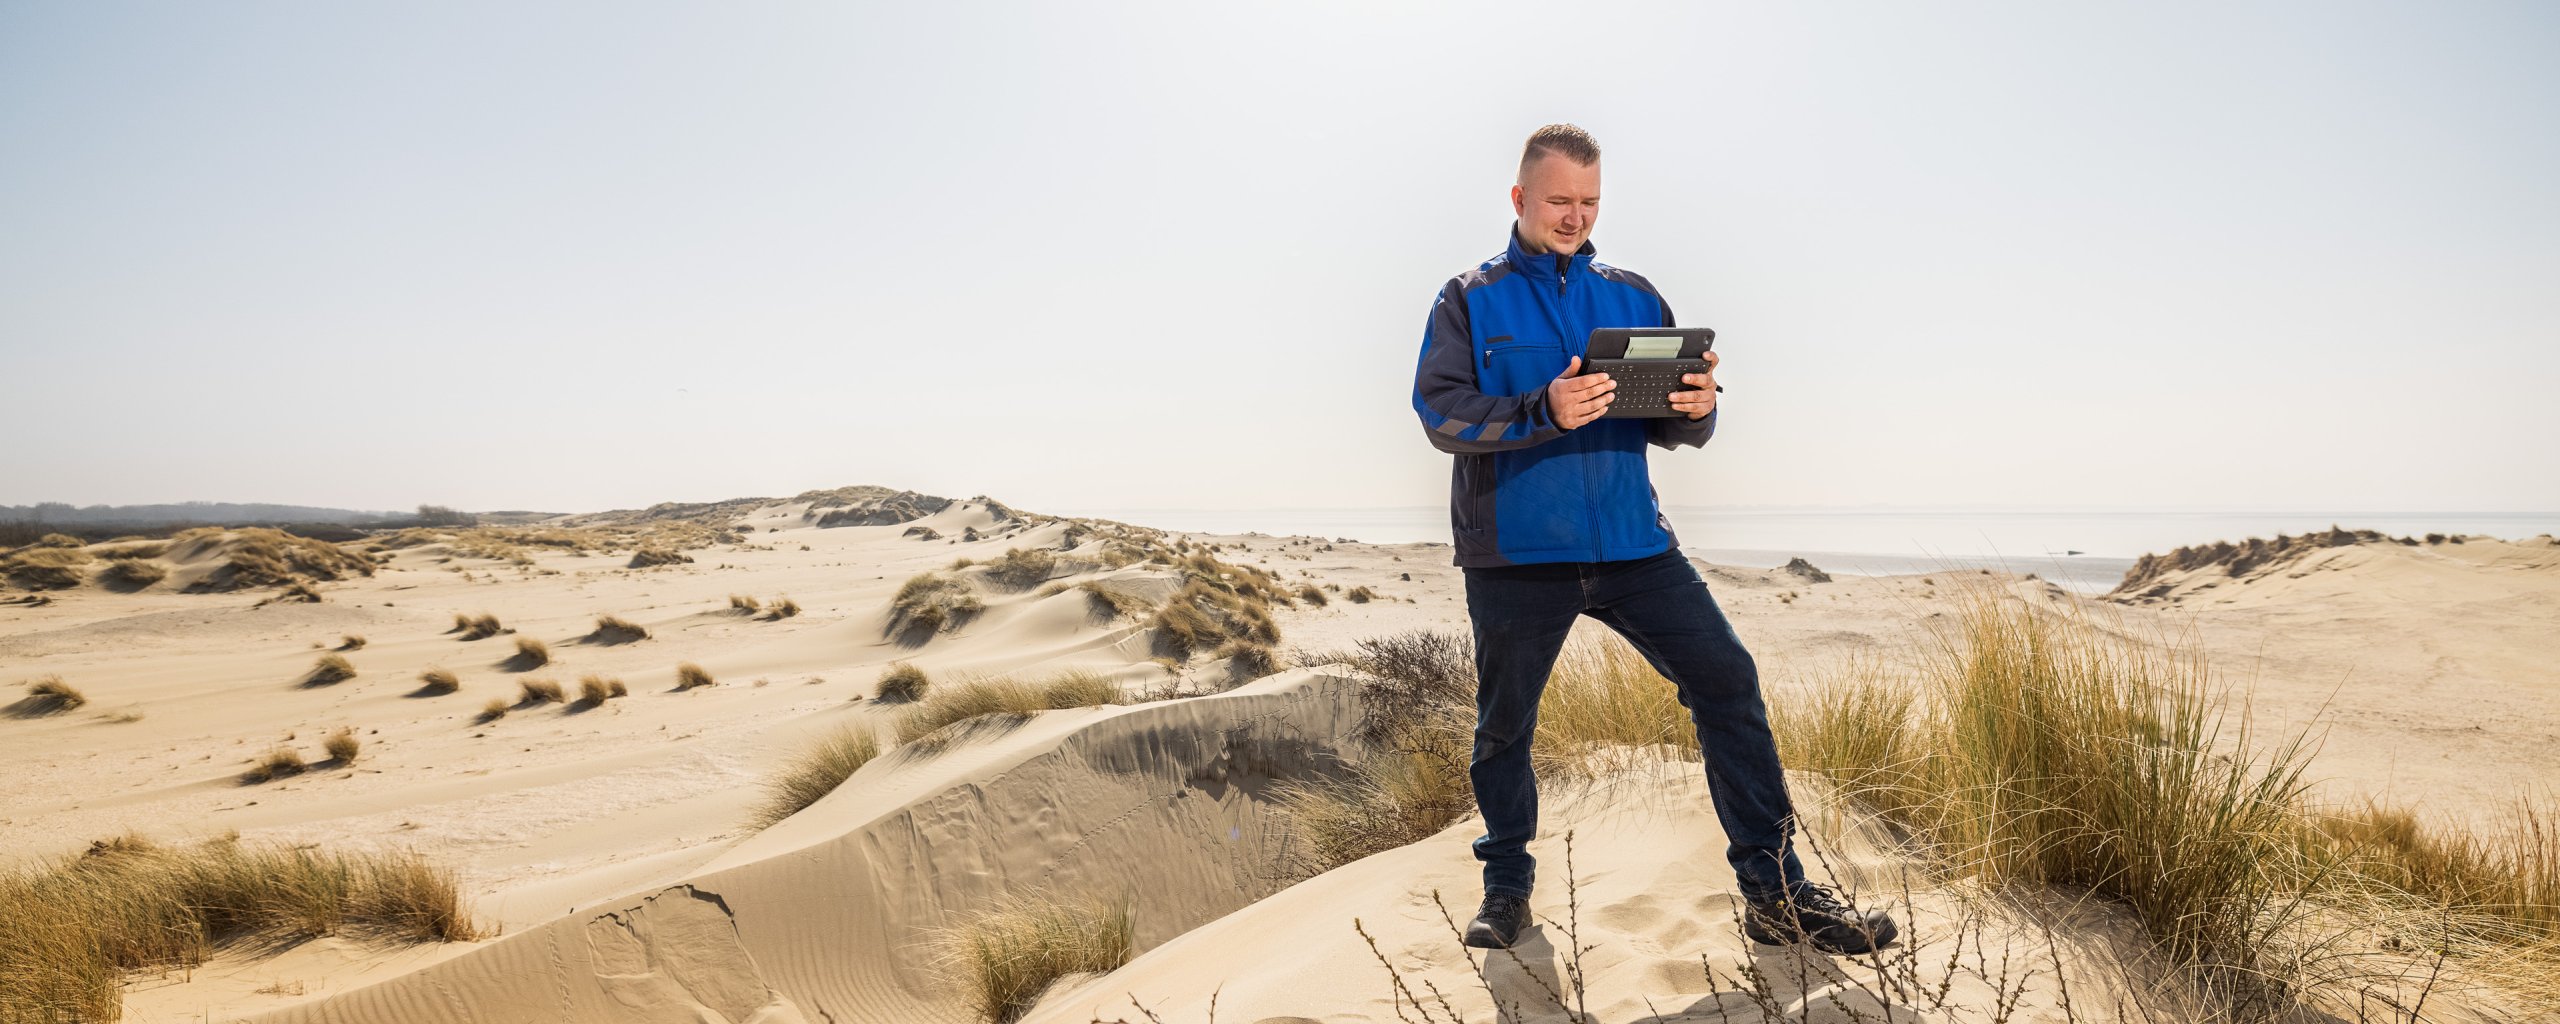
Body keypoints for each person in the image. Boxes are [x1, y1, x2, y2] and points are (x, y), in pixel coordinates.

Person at [1406, 123, 1897, 955]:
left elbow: (1670, 419)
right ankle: (1507, 887)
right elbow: (1439, 411)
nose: (1575, 216)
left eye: (1590, 201)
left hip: (1637, 549)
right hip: (1518, 558)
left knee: (1728, 684)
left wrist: (1700, 408)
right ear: (1521, 198)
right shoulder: (1468, 298)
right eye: (1559, 200)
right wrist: (1540, 411)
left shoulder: (1634, 296)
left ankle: (1775, 895)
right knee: (1505, 729)